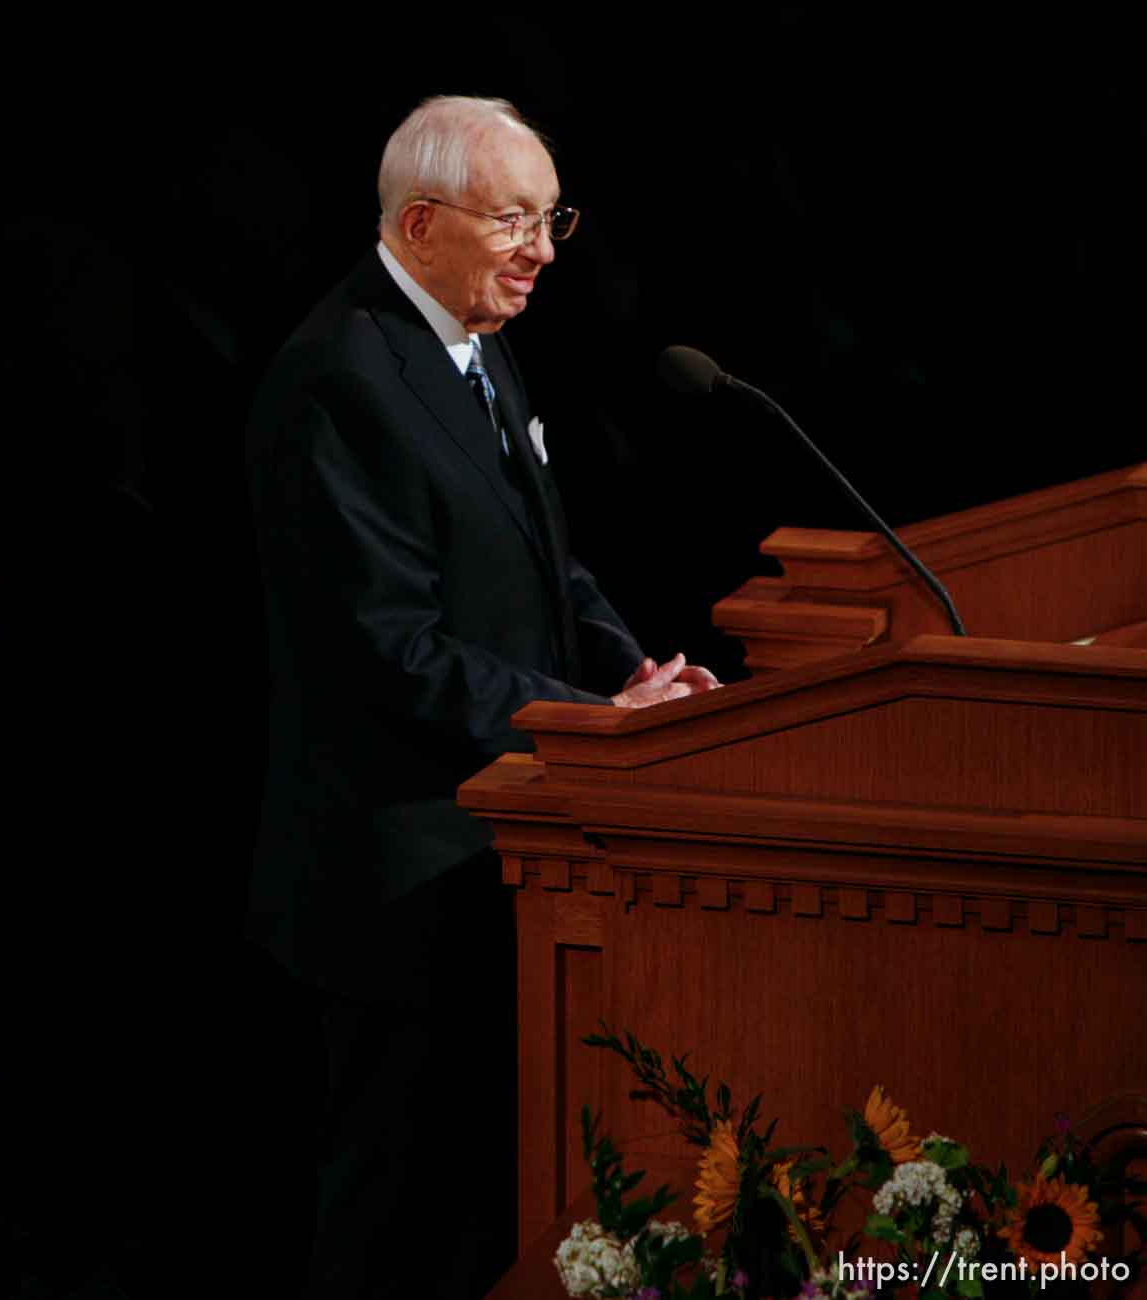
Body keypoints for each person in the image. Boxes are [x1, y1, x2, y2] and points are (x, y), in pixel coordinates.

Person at [243, 95, 719, 1299]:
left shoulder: (472, 335)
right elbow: (388, 648)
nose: (545, 249)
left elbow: (539, 557)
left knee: (477, 1222)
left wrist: (628, 673)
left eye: (552, 216)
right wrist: (583, 722)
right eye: (513, 219)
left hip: (504, 858)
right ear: (417, 223)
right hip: (400, 881)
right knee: (391, 1228)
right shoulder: (337, 380)